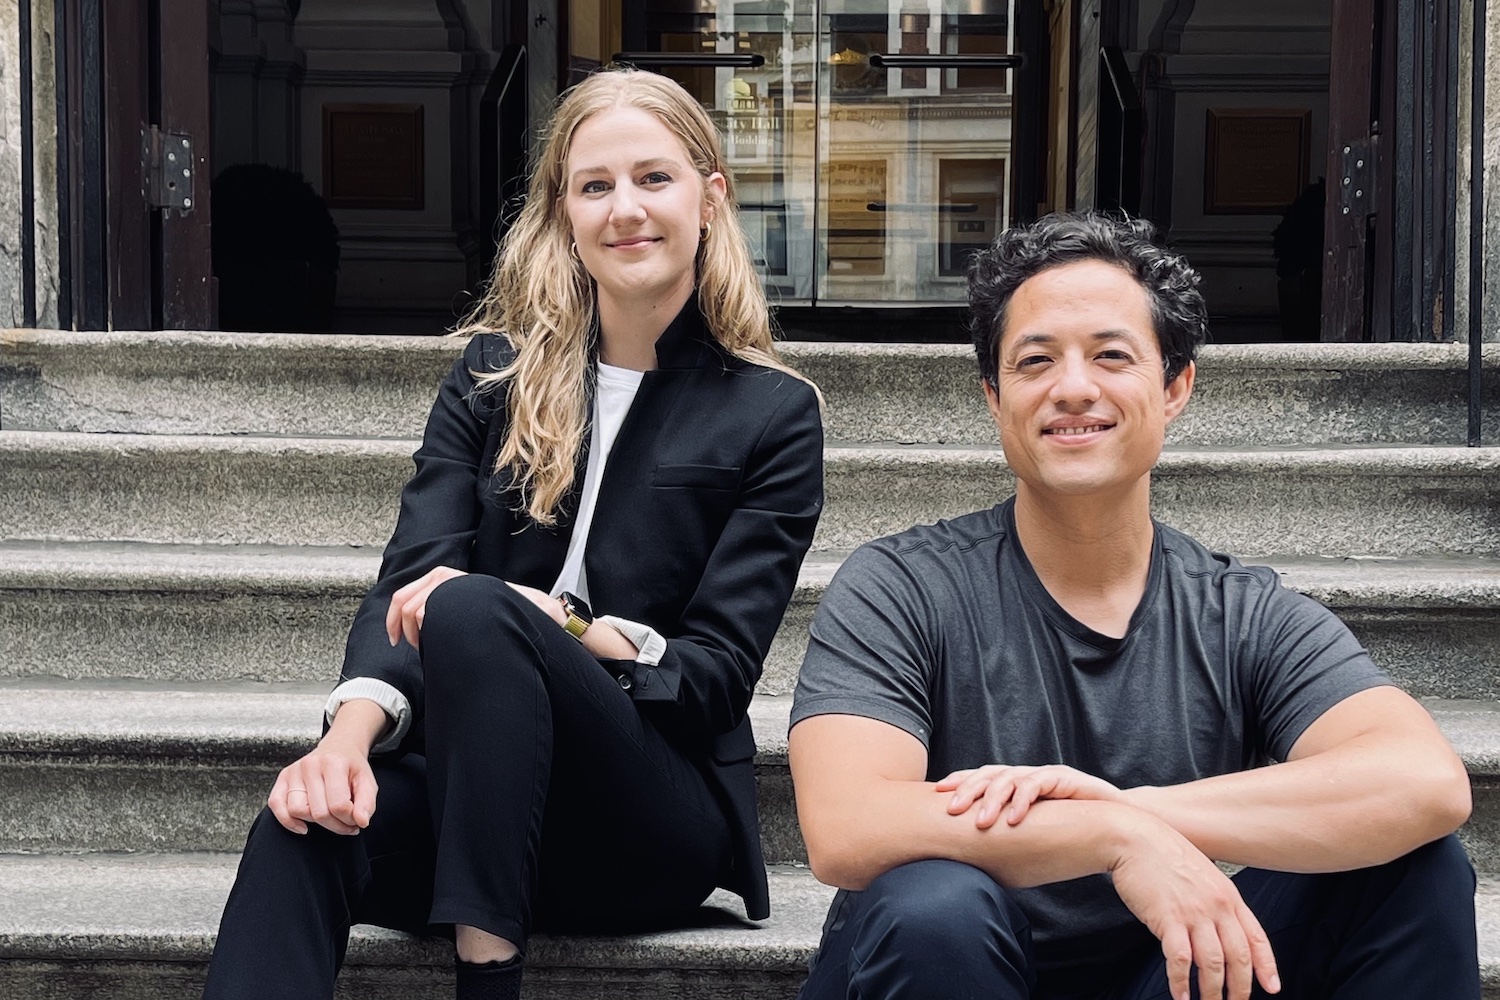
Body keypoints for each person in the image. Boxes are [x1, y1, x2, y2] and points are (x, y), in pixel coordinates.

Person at [203, 67, 824, 1000]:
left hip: (646, 821)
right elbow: (410, 581)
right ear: (564, 212)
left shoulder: (772, 414)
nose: (627, 209)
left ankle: (486, 984)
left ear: (709, 196)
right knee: (306, 822)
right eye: (595, 185)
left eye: (654, 178)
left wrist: (559, 625)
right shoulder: (491, 380)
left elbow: (713, 677)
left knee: (483, 612)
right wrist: (344, 743)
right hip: (470, 792)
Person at [787, 212, 1476, 1000]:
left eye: (1112, 356)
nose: (1073, 387)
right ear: (993, 396)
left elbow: (1423, 781)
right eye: (1035, 361)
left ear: (1175, 386)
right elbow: (847, 827)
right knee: (933, 903)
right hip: (946, 967)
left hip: (1167, 977)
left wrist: (1139, 813)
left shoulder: (1239, 613)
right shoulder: (901, 586)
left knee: (1413, 863)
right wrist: (1112, 837)